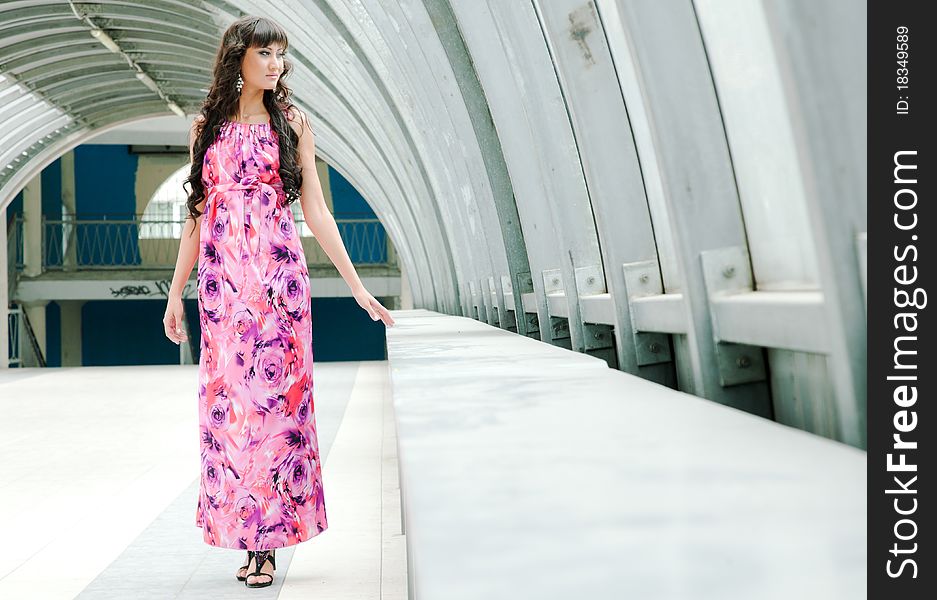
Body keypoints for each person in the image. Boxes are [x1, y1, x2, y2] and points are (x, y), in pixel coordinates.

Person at [162, 15, 395, 589]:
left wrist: (360, 287)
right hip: (222, 294)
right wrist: (175, 295)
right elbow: (195, 218)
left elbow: (316, 212)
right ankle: (245, 533)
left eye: (280, 55)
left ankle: (267, 545)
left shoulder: (292, 125)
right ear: (237, 58)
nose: (276, 64)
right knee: (233, 414)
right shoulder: (205, 130)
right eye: (265, 53)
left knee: (278, 411)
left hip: (279, 285)